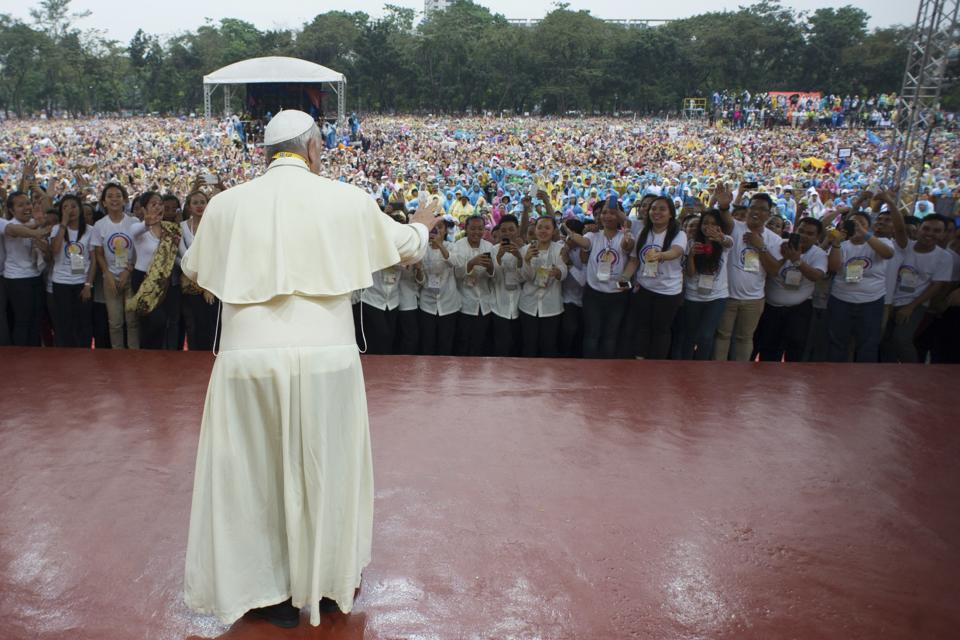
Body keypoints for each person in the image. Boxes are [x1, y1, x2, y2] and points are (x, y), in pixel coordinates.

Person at [181, 110, 439, 629]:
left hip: (246, 359)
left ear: (265, 153)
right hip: (326, 355)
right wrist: (424, 223)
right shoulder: (344, 197)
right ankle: (323, 583)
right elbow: (406, 248)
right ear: (314, 149)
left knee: (251, 475)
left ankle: (265, 593)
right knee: (327, 468)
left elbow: (194, 268)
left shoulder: (227, 205)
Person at [714, 188, 784, 361]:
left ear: (769, 213)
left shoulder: (774, 239)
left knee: (744, 339)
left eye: (762, 209)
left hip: (754, 299)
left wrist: (760, 246)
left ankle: (740, 375)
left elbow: (774, 270)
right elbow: (725, 219)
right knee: (722, 336)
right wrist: (723, 207)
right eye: (753, 207)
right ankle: (716, 373)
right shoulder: (735, 227)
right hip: (728, 294)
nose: (756, 212)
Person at [880, 199, 952, 363]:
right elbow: (898, 228)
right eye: (926, 228)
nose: (930, 233)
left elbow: (936, 285)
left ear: (942, 234)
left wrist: (911, 308)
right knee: (885, 342)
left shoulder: (944, 257)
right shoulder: (904, 246)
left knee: (901, 339)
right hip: (889, 301)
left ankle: (914, 375)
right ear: (918, 229)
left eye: (936, 230)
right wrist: (891, 202)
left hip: (915, 304)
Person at [826, 205, 895, 362]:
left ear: (869, 226)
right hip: (841, 300)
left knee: (868, 344)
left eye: (862, 223)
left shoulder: (881, 241)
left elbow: (888, 254)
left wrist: (864, 233)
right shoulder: (842, 245)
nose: (856, 226)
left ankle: (864, 380)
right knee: (837, 342)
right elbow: (833, 268)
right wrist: (836, 244)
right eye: (853, 223)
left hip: (871, 302)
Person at [753, 217, 827, 362]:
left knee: (796, 351)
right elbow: (770, 269)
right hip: (771, 308)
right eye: (801, 231)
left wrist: (796, 260)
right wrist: (783, 258)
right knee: (768, 351)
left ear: (817, 237)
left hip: (798, 311)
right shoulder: (778, 246)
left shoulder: (819, 254)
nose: (804, 235)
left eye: (810, 233)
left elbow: (816, 276)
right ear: (795, 230)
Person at [620, 196, 686, 359]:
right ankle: (640, 359)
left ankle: (657, 364)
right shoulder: (643, 232)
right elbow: (635, 260)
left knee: (661, 330)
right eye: (653, 208)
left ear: (671, 213)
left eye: (662, 209)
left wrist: (661, 255)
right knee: (642, 327)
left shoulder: (679, 233)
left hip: (668, 292)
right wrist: (623, 278)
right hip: (644, 288)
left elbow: (676, 251)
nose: (656, 212)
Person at [92, 183, 140, 349]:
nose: (114, 199)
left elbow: (138, 249)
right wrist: (108, 274)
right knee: (115, 322)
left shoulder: (134, 222)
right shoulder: (99, 225)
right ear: (104, 202)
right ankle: (117, 355)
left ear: (125, 200)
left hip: (130, 275)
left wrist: (128, 270)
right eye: (110, 196)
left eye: (118, 195)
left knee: (132, 320)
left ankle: (134, 354)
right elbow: (99, 254)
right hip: (110, 277)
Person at [49, 194, 96, 347]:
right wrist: (63, 224)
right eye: (65, 207)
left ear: (80, 209)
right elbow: (54, 251)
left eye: (74, 206)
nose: (71, 210)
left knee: (83, 321)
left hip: (82, 282)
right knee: (63, 322)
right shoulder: (56, 229)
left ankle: (83, 353)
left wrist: (88, 285)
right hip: (61, 281)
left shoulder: (90, 230)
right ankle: (64, 355)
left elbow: (93, 259)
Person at [517, 216, 567, 357]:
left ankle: (548, 378)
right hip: (528, 304)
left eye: (547, 228)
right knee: (529, 345)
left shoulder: (559, 249)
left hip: (551, 306)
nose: (543, 231)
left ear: (553, 231)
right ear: (535, 229)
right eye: (540, 227)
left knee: (549, 345)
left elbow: (564, 270)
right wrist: (526, 260)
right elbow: (523, 277)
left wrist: (558, 272)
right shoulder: (525, 250)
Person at [452, 215, 495, 356]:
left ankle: (477, 374)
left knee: (479, 341)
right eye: (473, 228)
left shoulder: (489, 247)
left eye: (480, 229)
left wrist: (490, 268)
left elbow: (492, 276)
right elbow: (457, 274)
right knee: (463, 341)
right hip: (464, 302)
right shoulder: (458, 245)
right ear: (466, 228)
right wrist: (471, 263)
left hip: (484, 303)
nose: (477, 232)